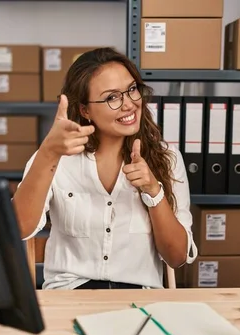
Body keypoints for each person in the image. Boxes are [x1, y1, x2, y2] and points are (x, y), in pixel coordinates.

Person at [13, 47, 198, 290]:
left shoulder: (167, 158)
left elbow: (177, 257)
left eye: (132, 90)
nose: (129, 104)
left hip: (138, 301)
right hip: (69, 296)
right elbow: (17, 228)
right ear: (84, 110)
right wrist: (48, 153)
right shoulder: (55, 157)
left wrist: (154, 192)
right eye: (112, 97)